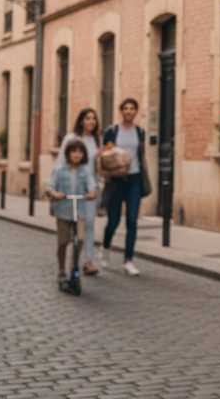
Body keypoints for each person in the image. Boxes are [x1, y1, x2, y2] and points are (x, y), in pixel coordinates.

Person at [97, 98, 149, 276]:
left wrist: (144, 173)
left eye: (132, 108)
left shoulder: (140, 132)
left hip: (134, 180)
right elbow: (103, 155)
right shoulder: (112, 131)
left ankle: (128, 261)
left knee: (132, 221)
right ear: (121, 111)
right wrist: (105, 173)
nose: (128, 111)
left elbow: (141, 154)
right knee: (114, 221)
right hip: (116, 181)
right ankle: (105, 247)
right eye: (125, 108)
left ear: (135, 112)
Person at [56, 108, 101, 275]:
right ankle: (66, 264)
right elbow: (60, 163)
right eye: (87, 118)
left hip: (89, 190)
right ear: (81, 121)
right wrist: (56, 191)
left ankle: (87, 261)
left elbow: (97, 166)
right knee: (68, 231)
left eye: (94, 118)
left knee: (89, 225)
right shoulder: (71, 138)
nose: (91, 121)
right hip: (71, 189)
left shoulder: (97, 140)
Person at [46, 139, 96, 287]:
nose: (76, 154)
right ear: (68, 153)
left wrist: (91, 193)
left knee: (79, 239)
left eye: (80, 152)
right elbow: (49, 186)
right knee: (62, 242)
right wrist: (54, 193)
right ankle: (61, 271)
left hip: (78, 211)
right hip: (63, 211)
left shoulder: (85, 171)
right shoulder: (60, 169)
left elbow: (92, 187)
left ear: (83, 155)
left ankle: (73, 267)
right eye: (74, 151)